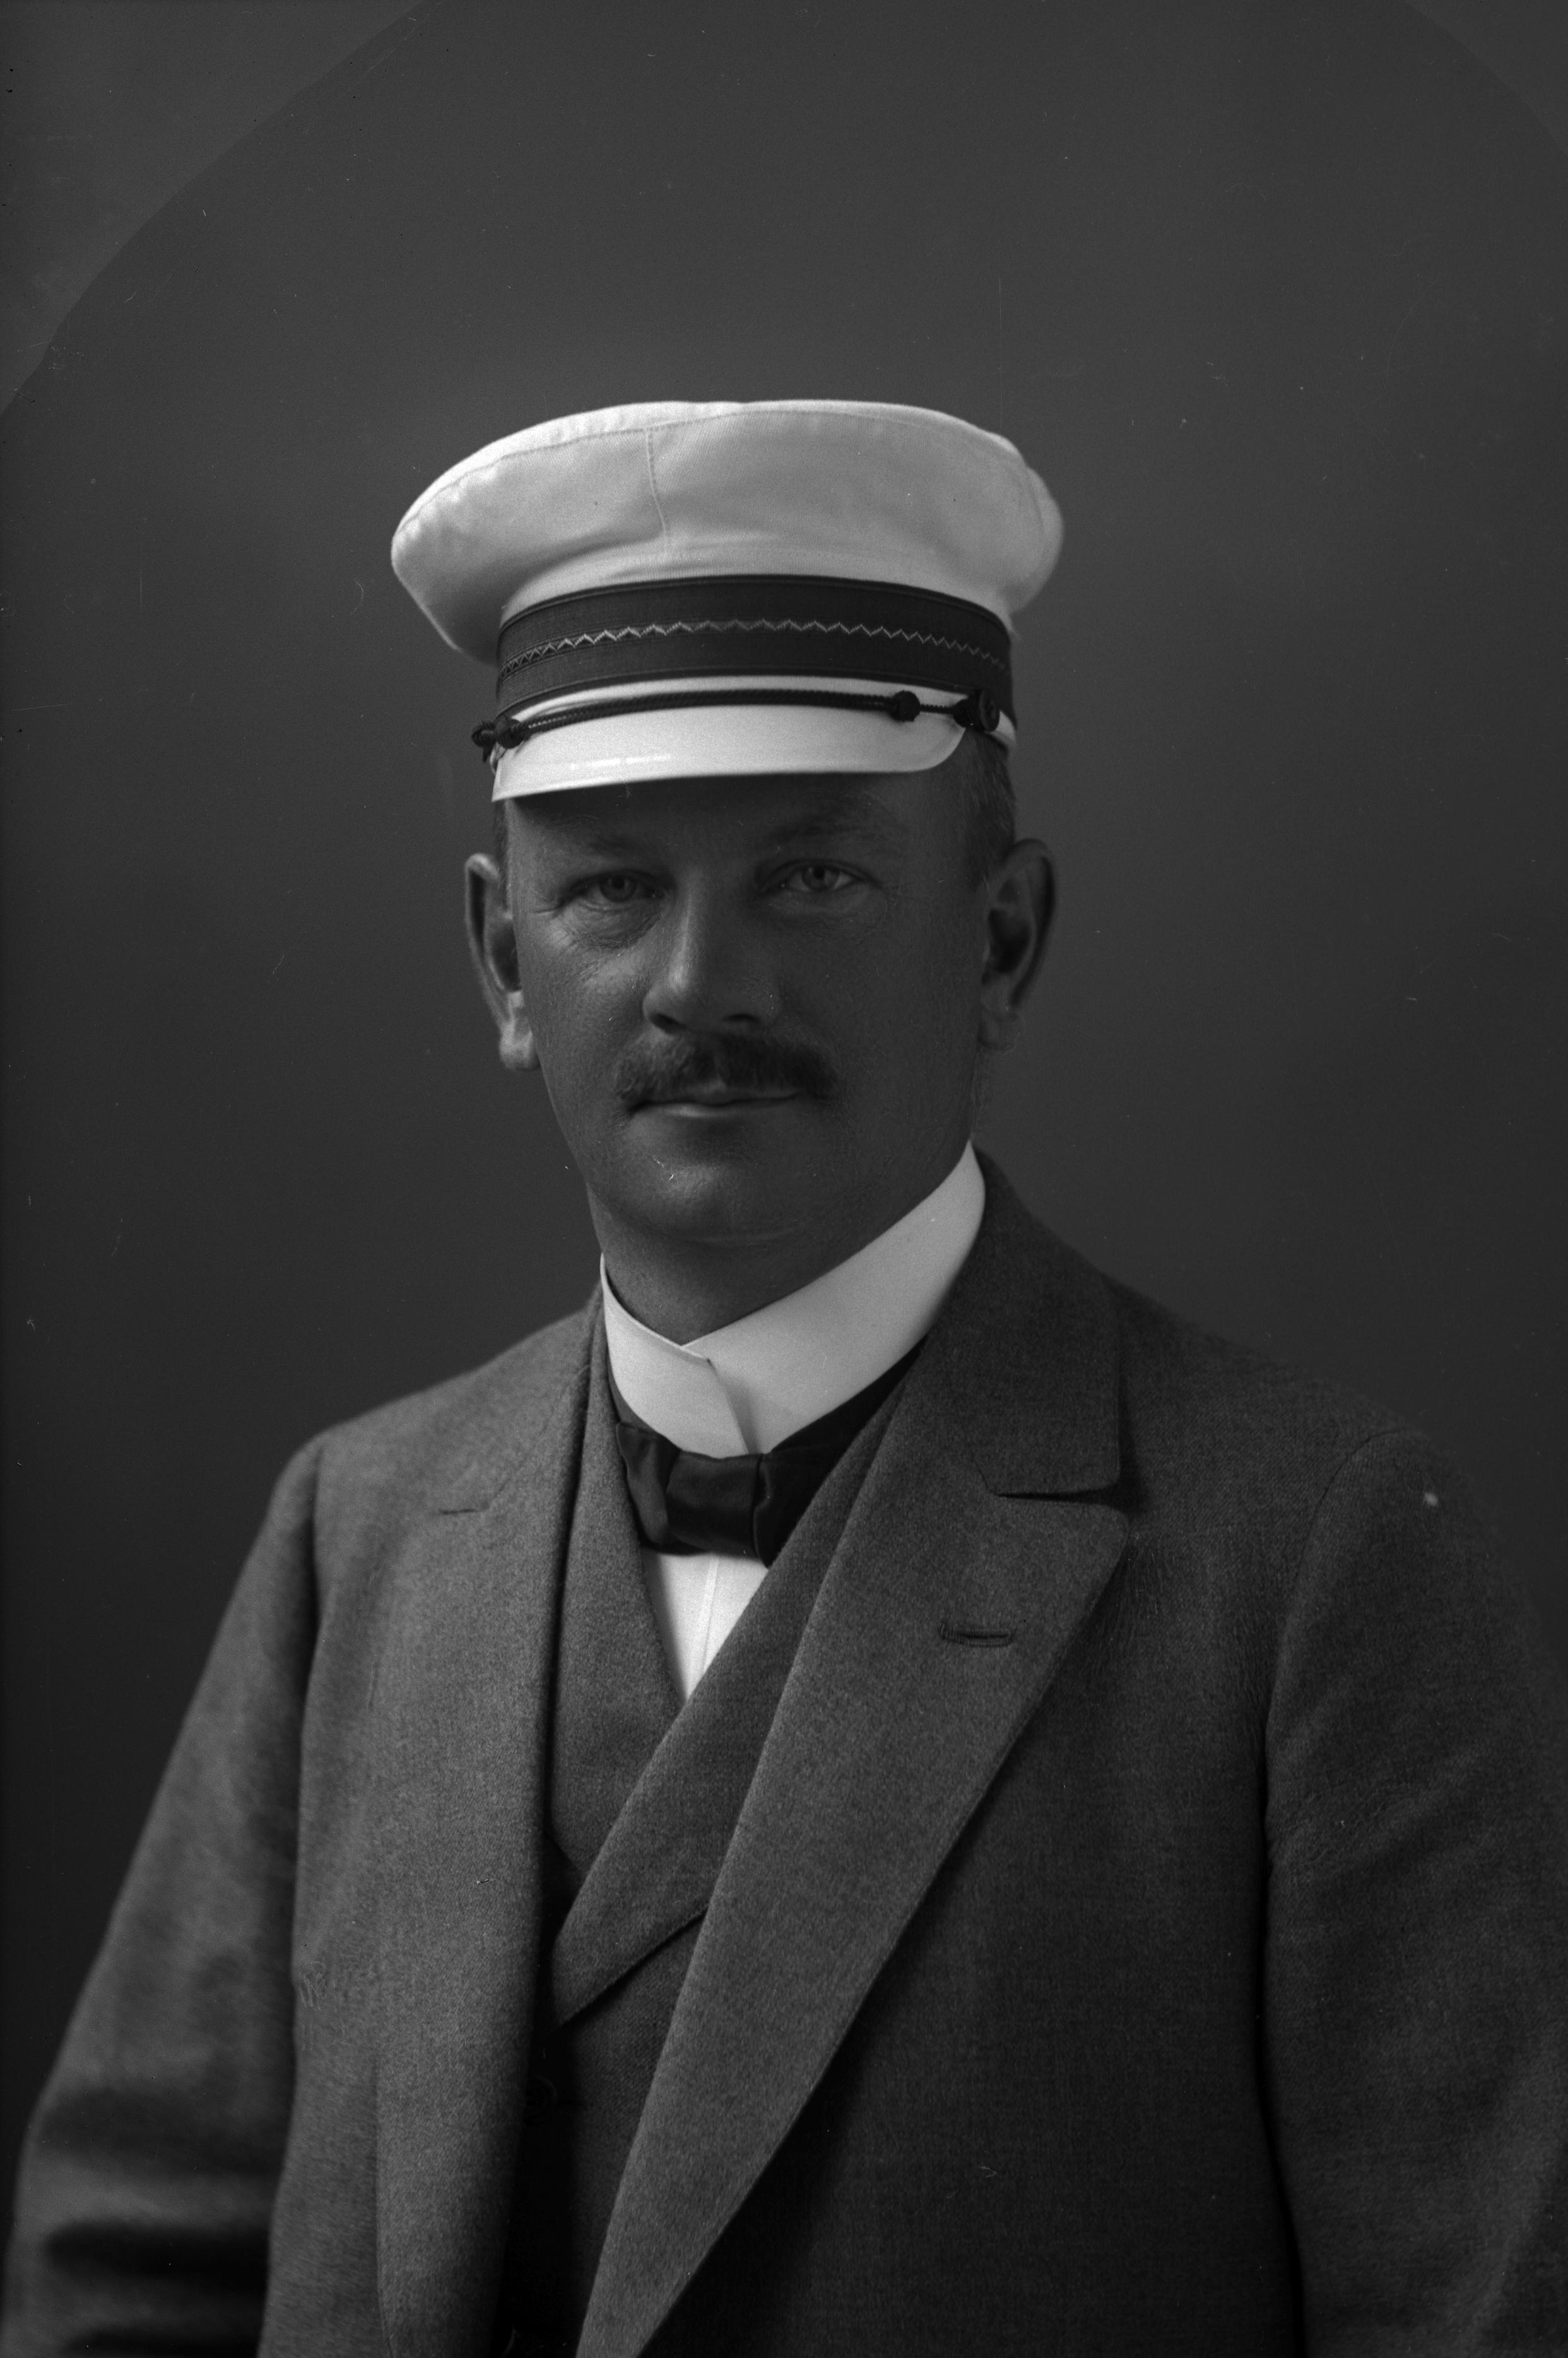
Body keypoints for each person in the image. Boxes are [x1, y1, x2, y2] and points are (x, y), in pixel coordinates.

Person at [3, 398, 1565, 2357]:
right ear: (502, 961)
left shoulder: (1312, 1560)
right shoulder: (357, 1531)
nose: (700, 984)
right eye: (609, 889)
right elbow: (127, 2284)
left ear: (1002, 940)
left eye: (812, 878)